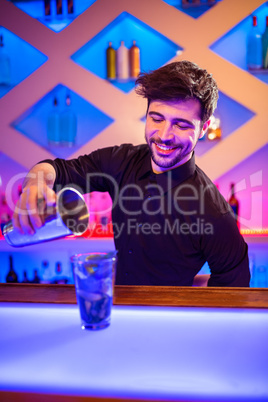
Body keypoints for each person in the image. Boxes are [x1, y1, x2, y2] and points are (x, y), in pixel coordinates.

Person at [12, 60, 250, 287]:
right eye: (156, 119)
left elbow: (234, 285)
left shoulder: (214, 212)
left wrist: (183, 290)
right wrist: (35, 184)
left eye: (181, 125)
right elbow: (58, 170)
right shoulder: (121, 161)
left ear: (203, 128)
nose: (164, 135)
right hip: (116, 311)